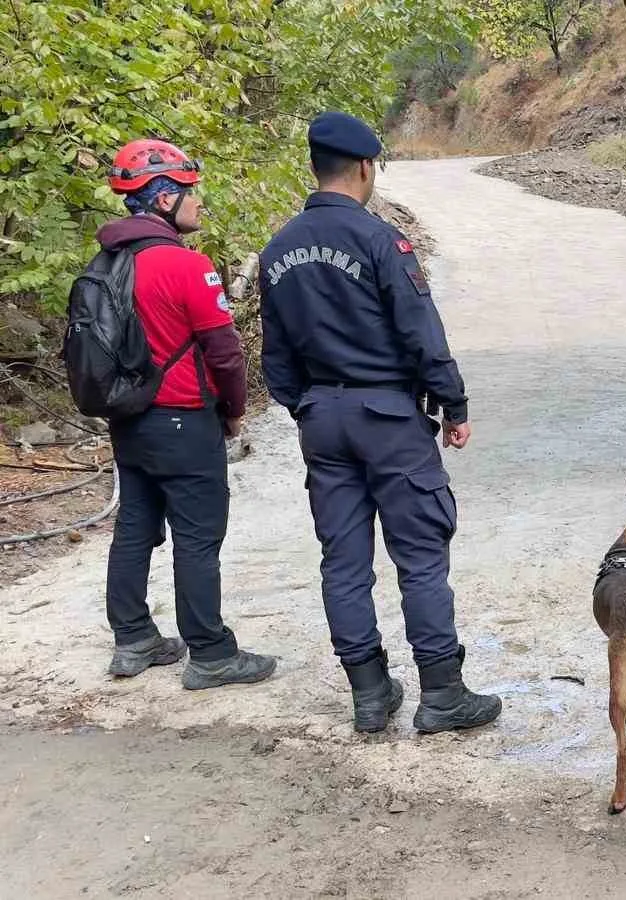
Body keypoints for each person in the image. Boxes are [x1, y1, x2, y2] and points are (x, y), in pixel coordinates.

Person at [259, 111, 500, 735]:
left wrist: (309, 407)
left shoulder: (278, 249)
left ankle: (369, 694)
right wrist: (454, 405)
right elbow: (421, 331)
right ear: (365, 167)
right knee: (420, 557)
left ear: (316, 167)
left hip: (322, 419)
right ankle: (442, 694)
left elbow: (276, 358)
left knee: (342, 561)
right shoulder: (380, 241)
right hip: (388, 417)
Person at [99, 139, 277, 690]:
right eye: (188, 191)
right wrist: (234, 411)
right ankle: (211, 653)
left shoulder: (106, 263)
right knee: (197, 537)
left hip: (129, 419)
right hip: (183, 418)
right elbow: (224, 351)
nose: (197, 202)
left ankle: (133, 639)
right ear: (162, 198)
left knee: (134, 526)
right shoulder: (186, 264)